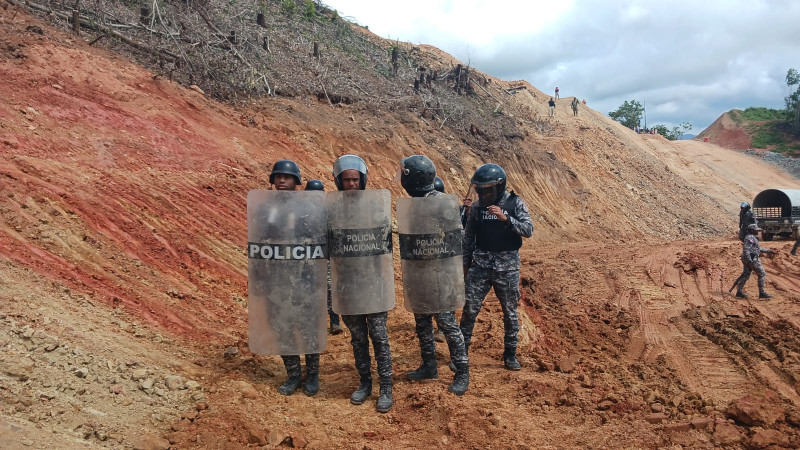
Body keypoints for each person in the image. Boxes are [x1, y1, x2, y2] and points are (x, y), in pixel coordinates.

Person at [399, 156, 470, 396]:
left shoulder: (441, 203)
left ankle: (462, 372)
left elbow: (458, 239)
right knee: (422, 323)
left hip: (440, 275)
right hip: (419, 273)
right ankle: (429, 366)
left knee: (448, 325)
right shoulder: (413, 204)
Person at [332, 155, 394, 413]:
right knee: (358, 339)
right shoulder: (333, 210)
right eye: (346, 180)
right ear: (339, 181)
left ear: (363, 180)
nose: (351, 184)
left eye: (355, 179)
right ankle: (365, 382)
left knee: (379, 336)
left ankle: (386, 387)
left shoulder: (375, 207)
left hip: (373, 283)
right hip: (348, 285)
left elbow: (385, 245)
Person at [460, 164, 533, 370]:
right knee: (469, 309)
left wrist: (506, 219)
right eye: (480, 190)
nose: (483, 194)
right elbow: (468, 237)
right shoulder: (477, 208)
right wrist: (465, 265)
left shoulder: (514, 203)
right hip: (480, 266)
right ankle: (460, 354)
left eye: (487, 190)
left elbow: (528, 230)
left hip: (507, 269)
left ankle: (510, 355)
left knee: (509, 313)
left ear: (499, 187)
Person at [269, 160, 322, 396]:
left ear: (296, 181)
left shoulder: (306, 207)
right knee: (283, 328)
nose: (282, 180)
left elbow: (316, 239)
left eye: (287, 177)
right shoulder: (269, 207)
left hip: (304, 276)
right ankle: (293, 375)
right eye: (278, 176)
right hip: (278, 277)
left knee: (308, 327)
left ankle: (313, 375)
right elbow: (264, 238)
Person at [305, 179, 343, 335]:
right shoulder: (301, 212)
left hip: (323, 256)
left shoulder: (327, 213)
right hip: (305, 257)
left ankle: (335, 322)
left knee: (329, 289)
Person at [735, 224, 774, 299]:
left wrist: (768, 251)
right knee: (762, 273)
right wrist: (749, 260)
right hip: (752, 258)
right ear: (752, 230)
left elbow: (757, 249)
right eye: (756, 230)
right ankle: (762, 293)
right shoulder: (750, 238)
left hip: (748, 258)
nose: (757, 231)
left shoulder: (751, 237)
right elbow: (746, 249)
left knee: (746, 275)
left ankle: (739, 292)